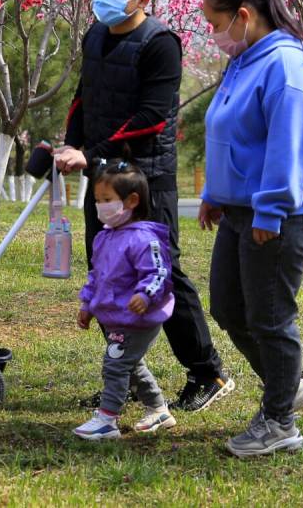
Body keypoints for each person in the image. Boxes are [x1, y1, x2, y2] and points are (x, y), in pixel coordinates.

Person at [56, 0, 231, 411]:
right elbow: (83, 98)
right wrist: (70, 146)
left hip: (146, 178)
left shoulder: (160, 43)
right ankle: (126, 374)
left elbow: (151, 118)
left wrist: (90, 154)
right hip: (102, 179)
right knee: (109, 269)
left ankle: (207, 371)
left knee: (161, 272)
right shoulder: (94, 34)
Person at [198, 0, 303, 458]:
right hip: (238, 209)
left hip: (278, 216)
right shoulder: (244, 58)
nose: (213, 34)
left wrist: (269, 213)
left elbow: (285, 147)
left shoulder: (286, 65)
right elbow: (229, 130)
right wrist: (215, 191)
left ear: (244, 15)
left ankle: (280, 421)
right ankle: (285, 385)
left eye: (215, 23)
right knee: (228, 306)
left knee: (271, 317)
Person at [74, 161, 177, 440]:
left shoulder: (144, 239)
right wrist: (88, 304)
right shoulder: (105, 237)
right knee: (131, 364)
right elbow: (97, 275)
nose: (100, 206)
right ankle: (159, 410)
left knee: (116, 364)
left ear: (132, 201)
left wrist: (145, 295)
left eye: (107, 200)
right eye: (97, 200)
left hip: (139, 318)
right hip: (115, 317)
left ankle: (107, 419)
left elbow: (158, 272)